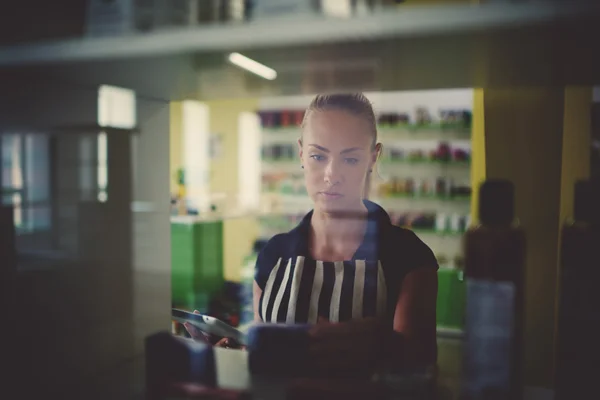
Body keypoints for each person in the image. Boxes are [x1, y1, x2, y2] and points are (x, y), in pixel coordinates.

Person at [187, 93, 438, 372]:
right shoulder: (273, 256)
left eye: (350, 159)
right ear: (301, 154)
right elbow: (265, 358)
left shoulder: (408, 257)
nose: (331, 174)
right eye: (318, 155)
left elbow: (420, 368)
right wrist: (232, 353)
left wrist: (379, 346)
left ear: (372, 158)